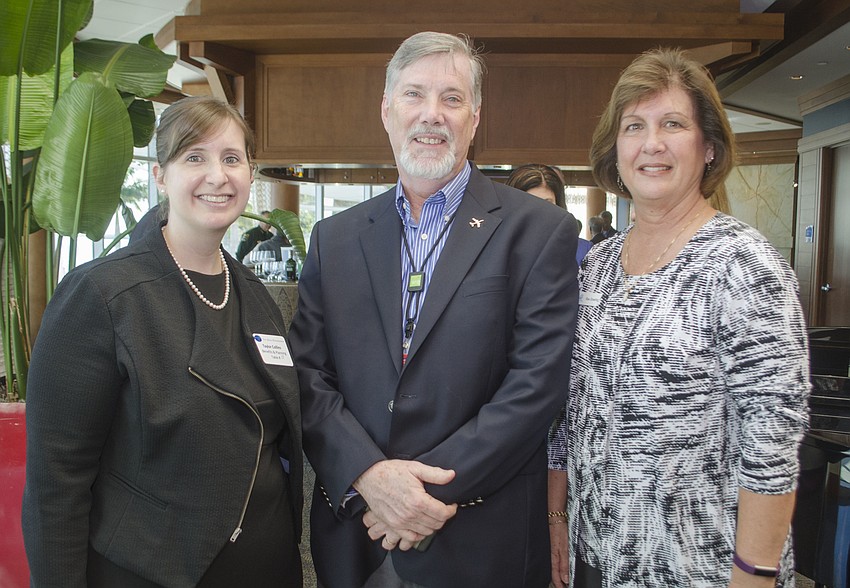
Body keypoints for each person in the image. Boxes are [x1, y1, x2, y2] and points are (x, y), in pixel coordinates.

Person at [288, 31, 579, 588]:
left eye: (451, 98)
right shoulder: (334, 238)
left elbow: (537, 385)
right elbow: (307, 375)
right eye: (413, 95)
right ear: (386, 111)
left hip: (480, 539)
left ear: (475, 117)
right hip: (357, 533)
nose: (431, 114)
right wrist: (369, 477)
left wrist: (417, 496)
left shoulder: (539, 232)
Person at [547, 47, 810, 588]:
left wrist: (754, 573)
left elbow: (773, 442)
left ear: (709, 146)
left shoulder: (743, 263)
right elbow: (568, 418)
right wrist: (558, 522)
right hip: (598, 556)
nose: (652, 144)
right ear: (615, 148)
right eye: (634, 126)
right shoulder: (597, 265)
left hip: (703, 567)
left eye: (673, 124)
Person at [22, 96, 303, 588]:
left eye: (231, 158)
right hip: (153, 571)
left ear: (250, 174)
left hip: (266, 566)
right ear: (160, 176)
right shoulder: (103, 295)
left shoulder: (255, 295)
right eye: (194, 157)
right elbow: (55, 486)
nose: (218, 175)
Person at [506, 163, 591, 265]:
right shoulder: (497, 249)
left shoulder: (582, 251)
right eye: (529, 203)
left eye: (547, 204)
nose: (540, 212)